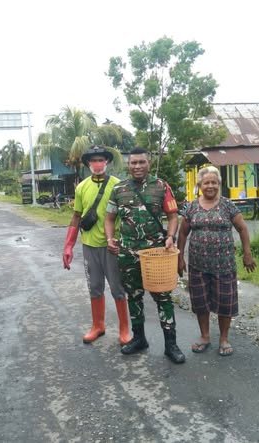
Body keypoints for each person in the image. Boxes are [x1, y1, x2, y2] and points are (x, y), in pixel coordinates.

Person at [104, 147, 186, 364]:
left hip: (157, 253)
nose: (137, 166)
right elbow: (109, 218)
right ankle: (139, 338)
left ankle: (171, 345)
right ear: (128, 165)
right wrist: (110, 238)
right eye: (134, 163)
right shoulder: (118, 189)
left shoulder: (161, 186)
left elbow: (173, 215)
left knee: (163, 297)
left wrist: (170, 237)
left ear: (148, 163)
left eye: (142, 162)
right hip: (128, 253)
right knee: (134, 296)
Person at [177, 166, 256, 356]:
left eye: (214, 182)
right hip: (198, 265)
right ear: (200, 185)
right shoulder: (191, 207)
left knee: (225, 303)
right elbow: (183, 233)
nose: (210, 186)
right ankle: (205, 336)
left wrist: (247, 254)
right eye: (206, 183)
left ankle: (224, 338)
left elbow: (243, 229)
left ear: (219, 184)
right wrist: (179, 258)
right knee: (200, 302)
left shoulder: (228, 205)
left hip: (224, 265)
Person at [62, 146, 131, 345]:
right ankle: (98, 325)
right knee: (94, 287)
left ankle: (124, 328)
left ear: (106, 162)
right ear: (88, 164)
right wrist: (68, 246)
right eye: (94, 160)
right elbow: (76, 216)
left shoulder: (118, 185)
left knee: (117, 288)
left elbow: (127, 214)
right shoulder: (81, 187)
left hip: (112, 246)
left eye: (101, 160)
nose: (98, 164)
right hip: (89, 245)